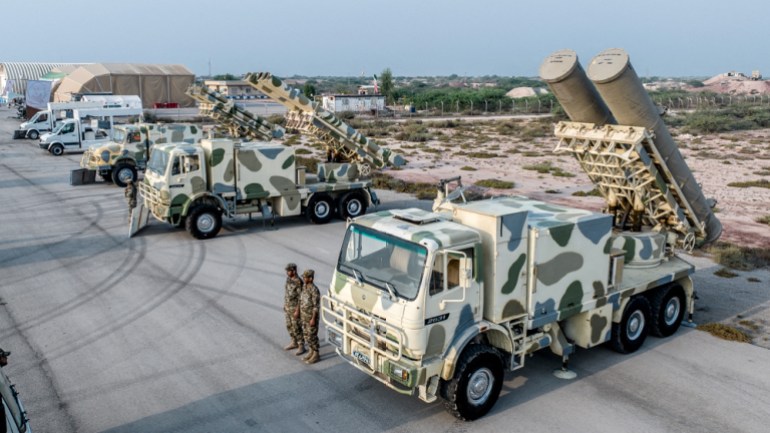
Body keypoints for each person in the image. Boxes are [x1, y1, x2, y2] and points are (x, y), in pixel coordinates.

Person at [283, 263, 306, 356]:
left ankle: (301, 345)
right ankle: (294, 342)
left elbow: (301, 298)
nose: (287, 272)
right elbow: (287, 293)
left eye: (288, 271)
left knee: (297, 327)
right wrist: (285, 304)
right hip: (288, 307)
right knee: (289, 325)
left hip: (295, 308)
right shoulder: (289, 279)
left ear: (294, 271)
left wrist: (298, 310)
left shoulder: (298, 282)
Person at [300, 269, 321, 364]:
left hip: (311, 317)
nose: (303, 279)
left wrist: (313, 319)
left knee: (312, 336)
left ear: (311, 278)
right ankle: (311, 352)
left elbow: (316, 306)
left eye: (305, 277)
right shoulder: (304, 287)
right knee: (306, 335)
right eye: (303, 277)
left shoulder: (314, 290)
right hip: (304, 316)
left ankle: (316, 354)